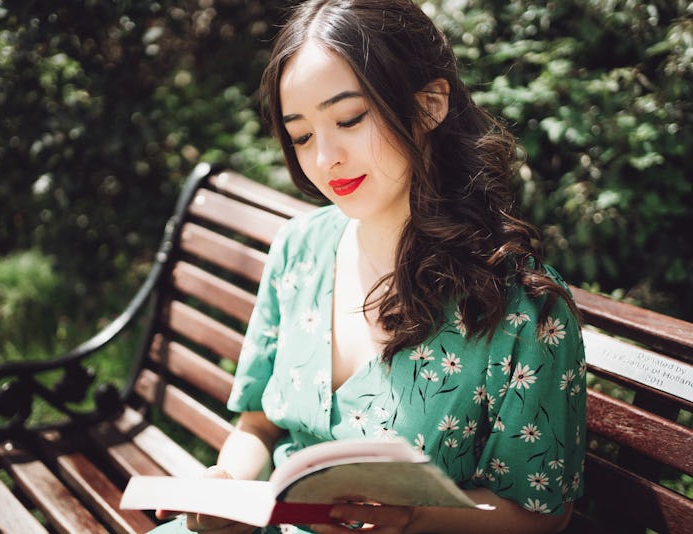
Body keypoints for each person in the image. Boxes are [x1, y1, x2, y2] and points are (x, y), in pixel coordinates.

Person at [154, 0, 586, 533]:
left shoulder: (522, 307)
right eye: (302, 135)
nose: (324, 158)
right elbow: (258, 425)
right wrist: (230, 488)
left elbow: (541, 515)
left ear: (429, 105)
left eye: (349, 118)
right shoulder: (299, 249)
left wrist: (416, 519)